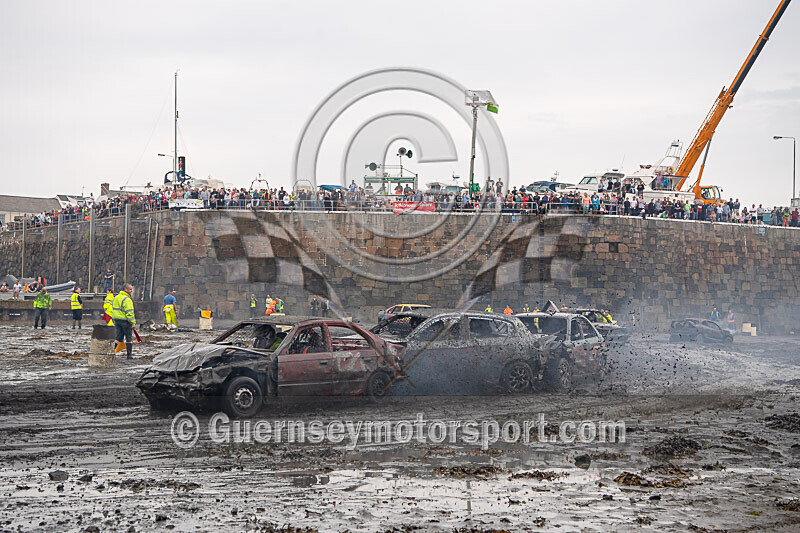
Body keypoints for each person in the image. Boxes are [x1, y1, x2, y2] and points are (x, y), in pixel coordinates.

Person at [111, 284, 136, 359]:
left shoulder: (116, 297)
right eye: (130, 289)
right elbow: (130, 313)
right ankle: (129, 355)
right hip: (125, 321)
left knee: (118, 338)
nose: (131, 291)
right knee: (129, 338)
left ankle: (112, 353)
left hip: (117, 320)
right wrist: (133, 323)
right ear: (126, 289)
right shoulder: (127, 299)